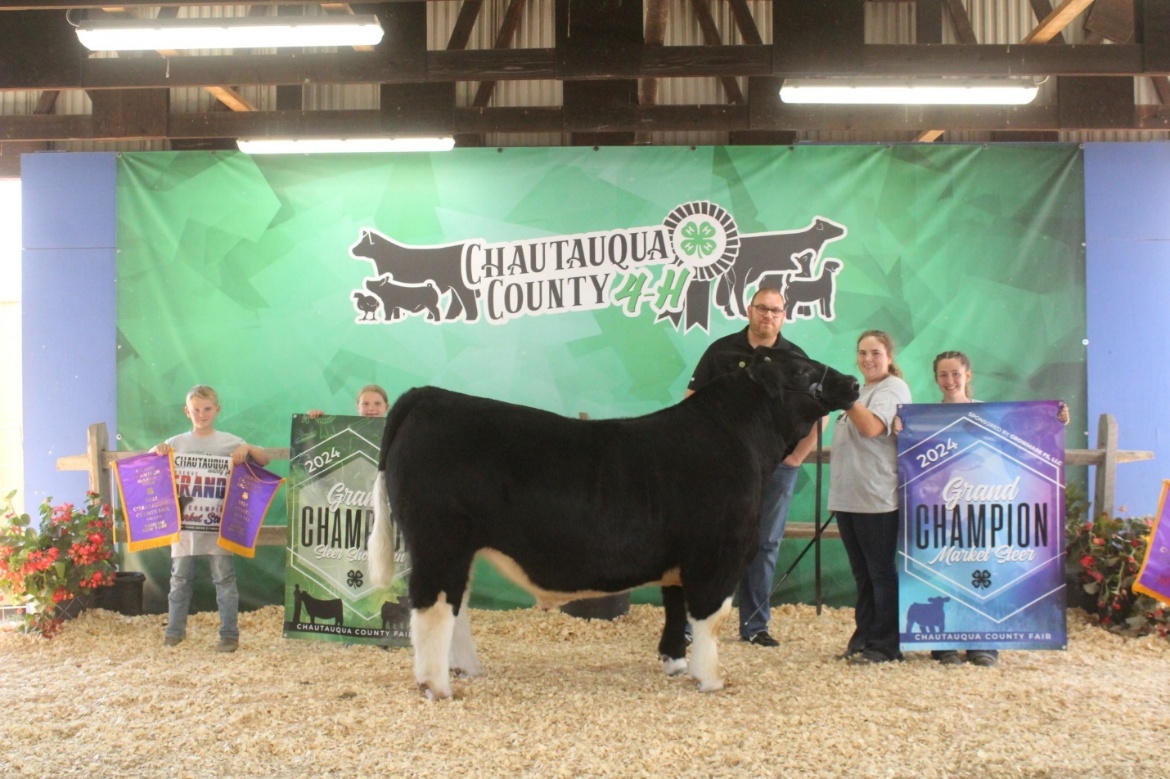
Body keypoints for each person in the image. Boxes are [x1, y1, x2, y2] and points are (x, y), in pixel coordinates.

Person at [685, 286, 823, 647]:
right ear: (749, 310)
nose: (768, 316)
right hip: (723, 469)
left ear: (784, 315)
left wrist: (794, 458)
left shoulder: (795, 359)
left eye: (775, 311)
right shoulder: (721, 351)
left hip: (775, 469)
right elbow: (691, 403)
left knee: (765, 544)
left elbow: (817, 415)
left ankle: (756, 625)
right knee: (711, 542)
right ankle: (693, 623)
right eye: (762, 308)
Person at [915, 349, 1069, 667]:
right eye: (943, 374)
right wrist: (902, 424)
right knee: (949, 574)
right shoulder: (925, 417)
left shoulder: (990, 413)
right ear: (936, 378)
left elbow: (1027, 437)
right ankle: (944, 644)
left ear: (968, 376)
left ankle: (984, 643)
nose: (949, 380)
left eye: (955, 373)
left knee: (985, 575)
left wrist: (1055, 419)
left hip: (986, 505)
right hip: (947, 508)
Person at [152, 385, 271, 653]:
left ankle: (229, 634)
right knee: (179, 580)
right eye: (196, 410)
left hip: (219, 527)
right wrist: (158, 450)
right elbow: (149, 463)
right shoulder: (175, 443)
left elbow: (264, 460)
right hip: (184, 528)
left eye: (207, 409)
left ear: (217, 410)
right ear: (187, 412)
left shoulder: (229, 441)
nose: (201, 414)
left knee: (225, 581)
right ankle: (174, 631)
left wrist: (247, 448)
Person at [830, 330, 912, 665]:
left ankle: (886, 644)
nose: (868, 359)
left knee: (880, 572)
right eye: (862, 353)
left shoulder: (892, 388)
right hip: (849, 496)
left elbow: (872, 429)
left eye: (875, 353)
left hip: (876, 496)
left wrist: (844, 399)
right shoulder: (861, 391)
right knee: (862, 574)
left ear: (889, 357)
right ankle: (863, 637)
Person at [307, 384, 390, 419]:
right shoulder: (345, 429)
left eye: (377, 404)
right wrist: (315, 421)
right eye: (365, 404)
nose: (371, 408)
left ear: (386, 407)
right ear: (358, 407)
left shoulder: (396, 433)